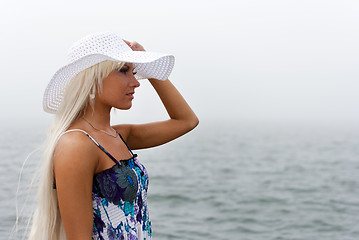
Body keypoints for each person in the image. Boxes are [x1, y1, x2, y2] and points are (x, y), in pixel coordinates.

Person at [28, 32, 198, 240]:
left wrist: (151, 69)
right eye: (123, 70)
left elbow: (186, 121)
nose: (136, 82)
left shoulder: (118, 136)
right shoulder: (77, 144)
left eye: (134, 71)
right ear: (92, 76)